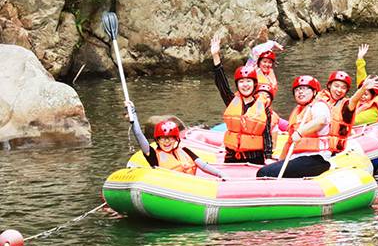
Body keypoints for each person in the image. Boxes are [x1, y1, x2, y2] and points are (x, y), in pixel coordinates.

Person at [210, 35, 272, 165]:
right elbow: (222, 85)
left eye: (248, 81)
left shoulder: (263, 106)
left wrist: (268, 156)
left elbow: (266, 134)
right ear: (237, 85)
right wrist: (216, 57)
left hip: (254, 158)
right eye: (241, 82)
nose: (245, 85)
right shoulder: (232, 100)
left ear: (254, 84)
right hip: (232, 157)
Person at [255, 75, 333, 178]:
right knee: (265, 171)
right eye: (297, 90)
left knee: (266, 173)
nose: (300, 92)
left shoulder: (318, 106)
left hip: (317, 158)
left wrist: (301, 132)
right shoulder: (298, 111)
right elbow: (289, 142)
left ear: (314, 92)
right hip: (298, 157)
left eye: (304, 89)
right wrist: (280, 161)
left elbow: (320, 121)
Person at [124, 101, 225, 179]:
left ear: (176, 139)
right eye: (162, 139)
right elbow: (138, 134)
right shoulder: (153, 155)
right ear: (157, 140)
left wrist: (220, 174)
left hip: (191, 188)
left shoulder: (185, 151)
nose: (167, 142)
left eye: (170, 138)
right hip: (169, 191)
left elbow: (203, 165)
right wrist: (133, 115)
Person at [320, 49, 378, 154]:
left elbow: (354, 99)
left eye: (343, 88)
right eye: (336, 86)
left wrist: (362, 89)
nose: (339, 90)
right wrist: (360, 59)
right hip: (320, 144)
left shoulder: (351, 106)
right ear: (329, 86)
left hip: (335, 149)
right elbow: (361, 79)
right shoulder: (320, 99)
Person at [354, 44, 378, 126]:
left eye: (366, 95)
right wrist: (360, 58)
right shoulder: (360, 97)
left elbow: (353, 121)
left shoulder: (373, 112)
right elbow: (361, 77)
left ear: (372, 96)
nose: (362, 96)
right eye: (362, 94)